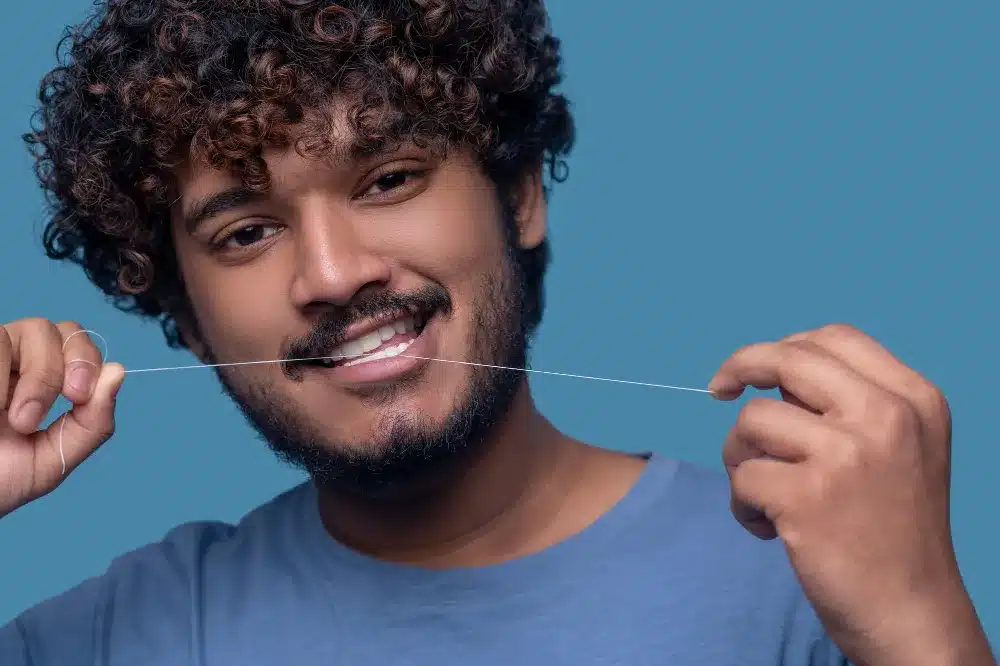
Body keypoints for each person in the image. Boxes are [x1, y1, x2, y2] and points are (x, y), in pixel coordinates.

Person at [0, 1, 994, 664]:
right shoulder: (120, 637)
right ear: (185, 316)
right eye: (248, 231)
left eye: (388, 179)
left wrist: (923, 631)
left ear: (518, 196)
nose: (335, 274)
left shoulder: (815, 582)